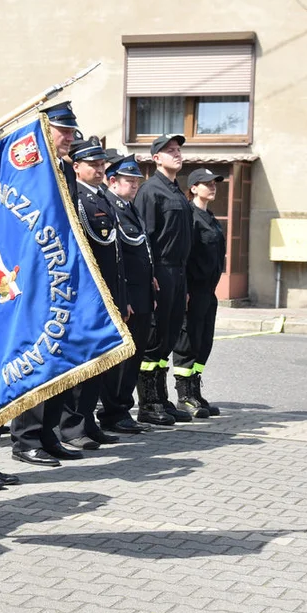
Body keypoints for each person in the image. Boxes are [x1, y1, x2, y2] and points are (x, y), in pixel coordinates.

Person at [9, 101, 85, 467]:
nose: (69, 137)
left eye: (72, 131)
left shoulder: (65, 170)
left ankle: (47, 432)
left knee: (57, 354)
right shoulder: (30, 166)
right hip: (33, 274)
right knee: (35, 351)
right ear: (44, 129)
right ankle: (25, 437)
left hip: (60, 273)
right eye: (63, 130)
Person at [56, 135, 124, 450]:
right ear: (77, 166)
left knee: (99, 362)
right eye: (93, 164)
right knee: (81, 362)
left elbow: (115, 251)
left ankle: (88, 421)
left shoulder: (102, 198)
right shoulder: (77, 199)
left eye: (101, 164)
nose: (99, 169)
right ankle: (71, 427)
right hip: (85, 295)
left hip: (105, 293)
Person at [96, 155, 164, 432]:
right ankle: (113, 411)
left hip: (141, 292)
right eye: (129, 180)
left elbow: (140, 250)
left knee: (134, 357)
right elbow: (118, 258)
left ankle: (122, 408)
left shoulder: (128, 208)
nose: (135, 185)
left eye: (137, 181)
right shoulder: (110, 207)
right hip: (128, 295)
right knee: (121, 359)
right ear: (112, 181)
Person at [134, 133, 193, 424]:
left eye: (179, 150)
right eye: (170, 151)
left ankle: (161, 397)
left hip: (178, 272)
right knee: (154, 338)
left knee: (168, 337)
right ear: (156, 158)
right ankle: (147, 403)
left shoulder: (176, 191)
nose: (177, 154)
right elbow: (144, 238)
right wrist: (151, 276)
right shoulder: (151, 191)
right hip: (161, 270)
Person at [172, 168, 226, 419]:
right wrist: (184, 289)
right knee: (188, 341)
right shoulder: (190, 216)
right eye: (206, 183)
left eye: (214, 183)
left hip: (208, 291)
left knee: (204, 341)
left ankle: (195, 390)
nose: (212, 187)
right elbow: (183, 256)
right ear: (193, 188)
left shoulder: (210, 218)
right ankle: (184, 396)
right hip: (192, 290)